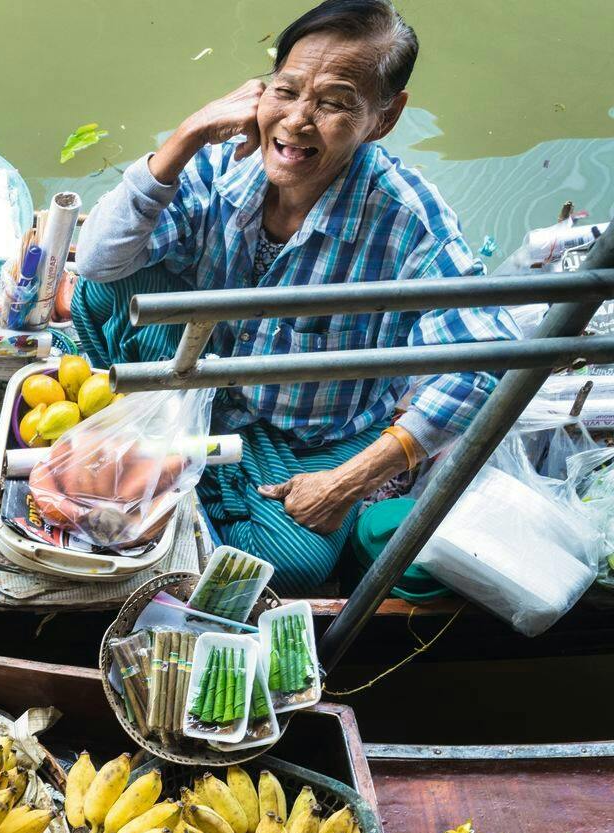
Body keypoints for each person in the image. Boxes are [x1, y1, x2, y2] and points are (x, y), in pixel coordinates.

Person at [71, 0, 515, 592]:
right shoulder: (226, 158)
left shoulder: (407, 218)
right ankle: (178, 455)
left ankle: (194, 474)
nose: (298, 121)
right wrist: (185, 137)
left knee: (298, 563)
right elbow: (99, 260)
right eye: (287, 90)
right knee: (109, 287)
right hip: (204, 369)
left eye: (333, 103)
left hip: (304, 432)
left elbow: (488, 356)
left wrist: (351, 479)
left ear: (382, 118)